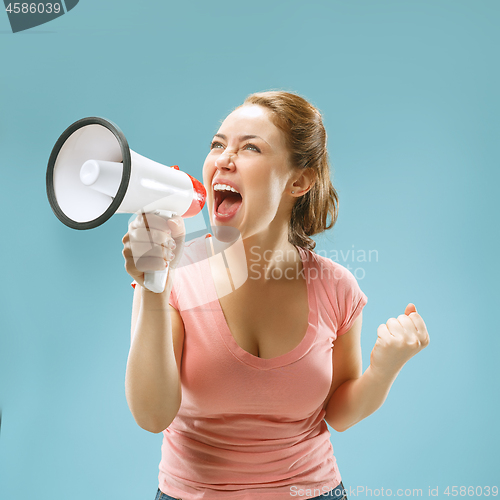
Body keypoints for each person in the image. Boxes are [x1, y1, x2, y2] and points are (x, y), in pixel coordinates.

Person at [122, 91, 430, 500]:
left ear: (299, 181)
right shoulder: (172, 273)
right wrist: (153, 285)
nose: (224, 159)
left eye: (250, 147)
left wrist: (386, 366)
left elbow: (338, 413)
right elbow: (151, 415)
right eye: (217, 145)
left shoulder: (337, 288)